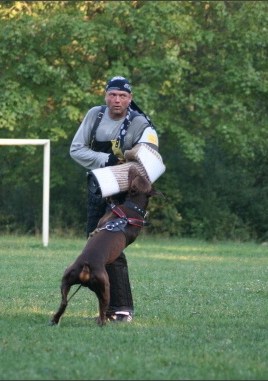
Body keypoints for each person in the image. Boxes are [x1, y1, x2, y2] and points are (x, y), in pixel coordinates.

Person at [69, 76, 160, 323]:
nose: (116, 100)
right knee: (96, 248)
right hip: (98, 188)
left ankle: (122, 310)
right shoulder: (95, 116)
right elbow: (76, 149)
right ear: (105, 96)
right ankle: (108, 310)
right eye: (112, 94)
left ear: (130, 99)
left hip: (125, 194)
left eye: (122, 96)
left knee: (112, 248)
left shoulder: (140, 123)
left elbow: (151, 161)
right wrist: (106, 160)